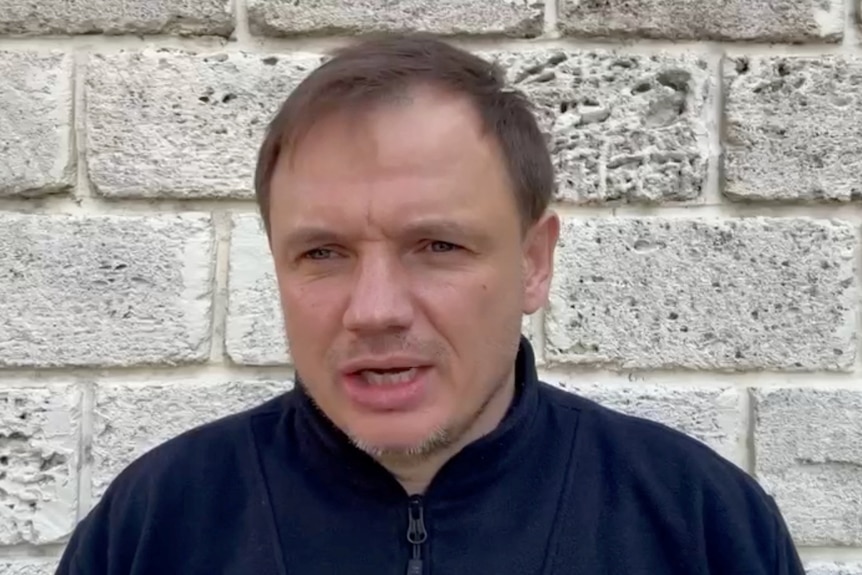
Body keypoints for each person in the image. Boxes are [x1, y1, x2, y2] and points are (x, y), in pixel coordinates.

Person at [55, 33, 805, 575]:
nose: (374, 310)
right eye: (323, 253)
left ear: (533, 262)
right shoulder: (155, 528)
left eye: (437, 246)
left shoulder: (701, 524)